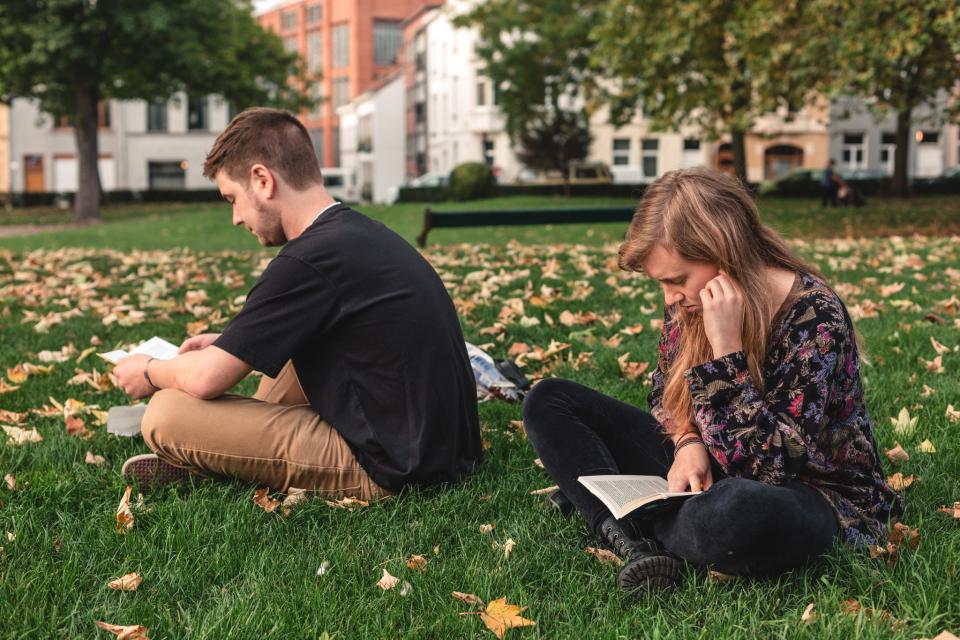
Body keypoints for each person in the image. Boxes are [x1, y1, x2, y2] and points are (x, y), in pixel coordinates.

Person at [523, 167, 902, 593]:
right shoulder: (688, 304)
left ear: (724, 256)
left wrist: (726, 352)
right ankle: (632, 541)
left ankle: (617, 512)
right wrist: (687, 443)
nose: (669, 297)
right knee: (549, 400)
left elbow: (771, 470)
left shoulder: (814, 315)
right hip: (709, 466)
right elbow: (663, 391)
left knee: (735, 512)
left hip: (810, 492)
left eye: (676, 280)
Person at [114, 108, 482, 500]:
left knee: (166, 413)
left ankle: (212, 454)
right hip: (445, 449)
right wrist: (234, 342)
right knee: (283, 349)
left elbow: (206, 379)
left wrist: (150, 372)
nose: (236, 218)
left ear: (262, 180)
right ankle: (221, 450)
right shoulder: (356, 233)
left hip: (395, 467)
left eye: (232, 199)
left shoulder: (306, 261)